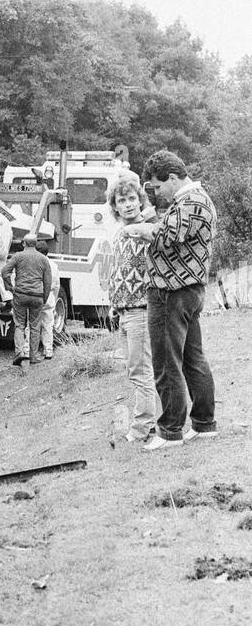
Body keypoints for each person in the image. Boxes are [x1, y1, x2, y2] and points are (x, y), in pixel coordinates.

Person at [140, 150, 217, 451]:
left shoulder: (191, 201)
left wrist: (137, 229)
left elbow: (165, 235)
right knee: (191, 358)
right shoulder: (193, 201)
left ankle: (170, 430)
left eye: (158, 186)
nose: (155, 192)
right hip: (188, 290)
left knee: (166, 362)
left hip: (171, 292)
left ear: (172, 178)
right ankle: (203, 423)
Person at [106, 171, 158, 442]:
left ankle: (143, 427)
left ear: (140, 200)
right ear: (114, 205)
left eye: (131, 199)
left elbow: (156, 233)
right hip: (124, 312)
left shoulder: (145, 229)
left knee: (141, 370)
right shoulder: (118, 233)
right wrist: (115, 304)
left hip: (140, 311)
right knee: (133, 370)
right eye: (121, 200)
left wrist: (146, 217)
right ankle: (145, 422)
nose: (127, 204)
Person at [2, 231, 52, 365]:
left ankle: (19, 353)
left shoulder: (18, 256)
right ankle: (33, 356)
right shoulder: (43, 259)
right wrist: (44, 298)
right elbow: (48, 281)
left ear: (23, 243)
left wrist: (10, 287)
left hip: (20, 294)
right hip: (37, 296)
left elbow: (5, 271)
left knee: (19, 325)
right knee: (35, 327)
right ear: (35, 244)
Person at [37, 238, 60, 360]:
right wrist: (53, 299)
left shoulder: (34, 263)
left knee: (31, 325)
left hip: (35, 296)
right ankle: (48, 351)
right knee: (48, 325)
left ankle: (29, 351)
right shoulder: (54, 265)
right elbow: (56, 285)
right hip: (49, 297)